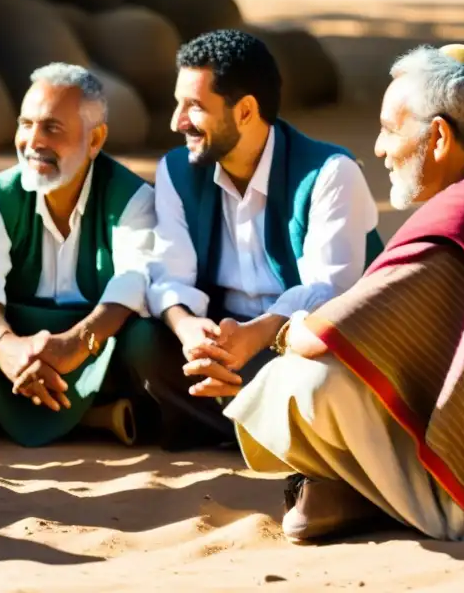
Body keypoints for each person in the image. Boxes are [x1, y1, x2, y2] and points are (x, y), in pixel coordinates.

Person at [227, 43, 464, 541]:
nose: (379, 148)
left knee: (302, 381)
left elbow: (324, 335)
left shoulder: (460, 219)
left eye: (390, 129)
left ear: (437, 137)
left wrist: (280, 331)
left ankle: (382, 495)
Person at [123, 28, 382, 450]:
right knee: (144, 344)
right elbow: (169, 275)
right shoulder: (177, 171)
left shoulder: (331, 173)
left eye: (194, 107)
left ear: (245, 111)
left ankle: (239, 422)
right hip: (224, 347)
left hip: (295, 343)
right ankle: (267, 428)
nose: (176, 122)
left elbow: (331, 293)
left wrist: (258, 335)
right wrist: (188, 328)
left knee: (320, 369)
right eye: (178, 103)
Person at [0, 63, 158, 447]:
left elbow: (133, 282)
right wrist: (7, 346)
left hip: (94, 339)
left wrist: (75, 344)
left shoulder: (133, 197)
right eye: (25, 124)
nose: (33, 141)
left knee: (143, 340)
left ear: (95, 140)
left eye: (52, 128)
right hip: (18, 334)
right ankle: (94, 417)